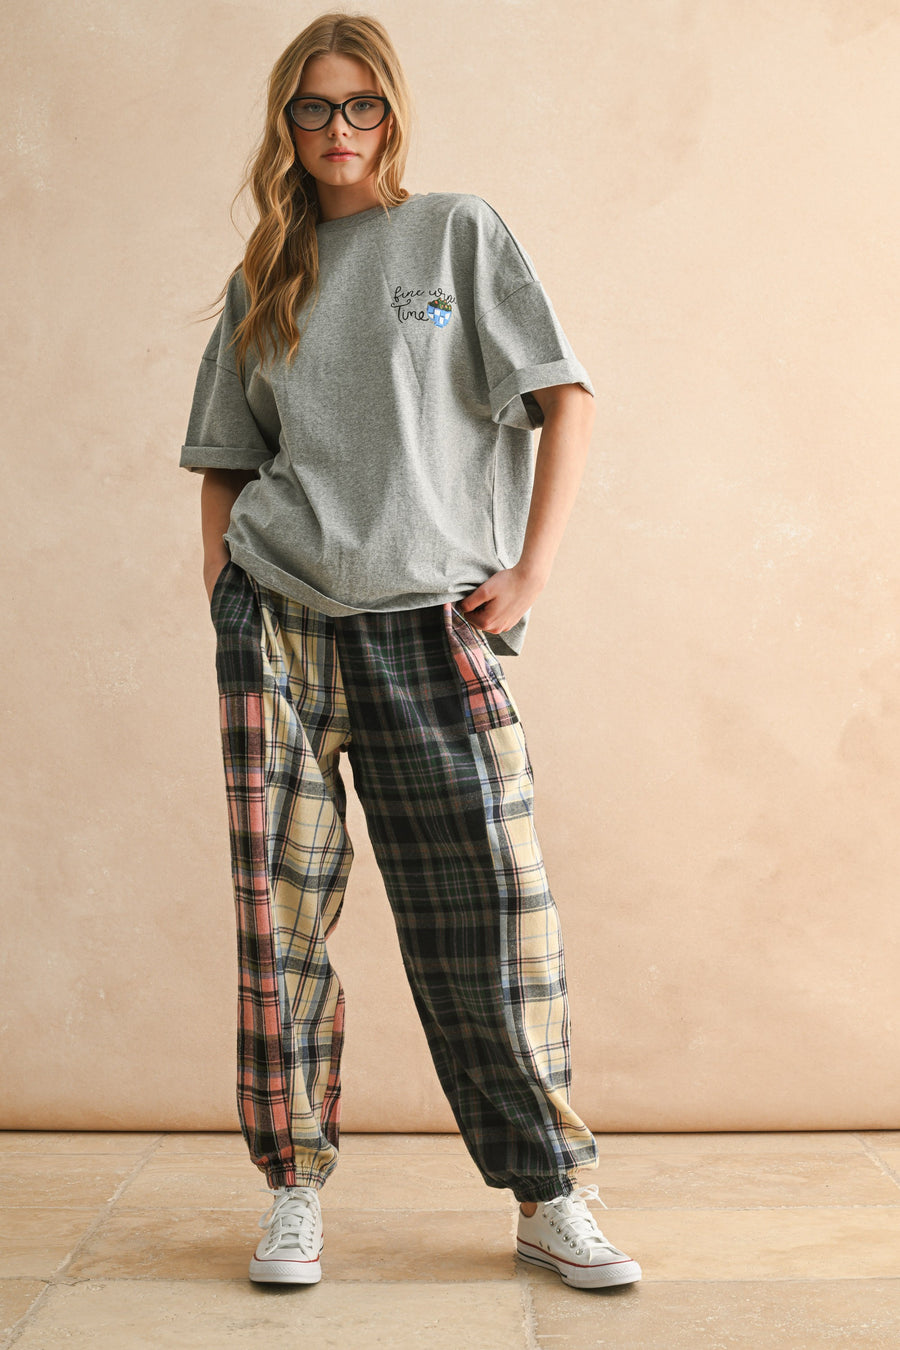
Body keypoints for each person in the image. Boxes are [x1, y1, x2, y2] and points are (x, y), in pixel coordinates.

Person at [179, 10, 641, 1292]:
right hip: (278, 621)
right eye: (313, 108)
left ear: (391, 114)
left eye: (360, 105)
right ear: (286, 125)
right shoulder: (266, 274)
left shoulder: (455, 233)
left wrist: (531, 572)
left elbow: (565, 400)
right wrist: (223, 596)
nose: (338, 129)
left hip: (430, 621)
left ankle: (549, 1194)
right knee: (279, 919)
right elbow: (225, 463)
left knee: (493, 914)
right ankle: (292, 1188)